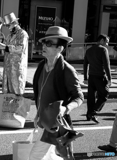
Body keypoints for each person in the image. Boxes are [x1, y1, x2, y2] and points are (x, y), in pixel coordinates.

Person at [30, 26, 84, 159]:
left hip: (55, 124)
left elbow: (79, 97)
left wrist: (65, 108)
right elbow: (41, 94)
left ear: (60, 48)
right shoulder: (41, 66)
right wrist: (38, 114)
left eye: (49, 43)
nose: (44, 46)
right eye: (44, 42)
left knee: (34, 157)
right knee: (51, 156)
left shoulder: (67, 71)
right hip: (45, 121)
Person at [0, 12, 29, 95]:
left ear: (14, 23)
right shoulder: (9, 35)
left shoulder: (22, 34)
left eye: (7, 25)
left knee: (17, 93)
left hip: (17, 68)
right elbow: (5, 47)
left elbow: (21, 48)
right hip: (8, 68)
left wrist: (5, 47)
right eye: (6, 25)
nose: (7, 27)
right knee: (7, 93)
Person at [83, 34, 111, 124]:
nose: (107, 44)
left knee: (91, 96)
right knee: (104, 95)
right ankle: (93, 112)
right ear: (102, 40)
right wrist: (109, 79)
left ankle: (88, 115)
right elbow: (107, 66)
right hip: (100, 76)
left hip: (91, 77)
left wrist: (85, 77)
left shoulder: (89, 50)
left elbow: (85, 64)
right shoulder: (103, 50)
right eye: (106, 42)